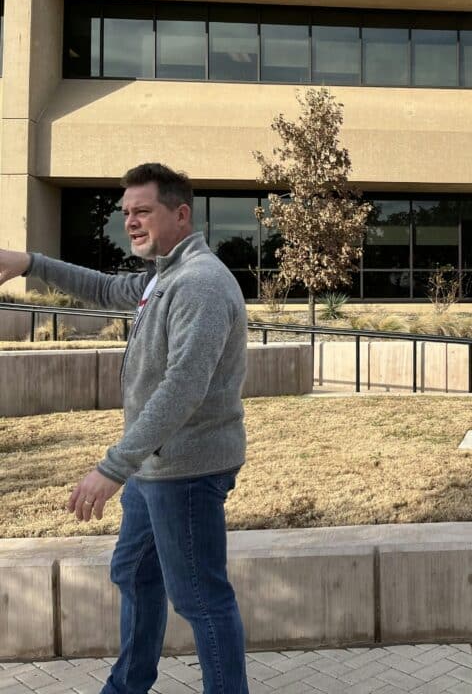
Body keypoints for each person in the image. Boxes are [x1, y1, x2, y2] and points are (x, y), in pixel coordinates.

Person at [0, 163, 249, 694]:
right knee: (134, 572)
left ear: (180, 214)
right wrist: (31, 262)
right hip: (153, 466)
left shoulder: (200, 283)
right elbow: (106, 287)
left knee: (201, 599)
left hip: (186, 469)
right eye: (126, 212)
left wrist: (112, 468)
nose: (130, 222)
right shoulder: (165, 274)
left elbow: (183, 388)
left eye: (143, 211)